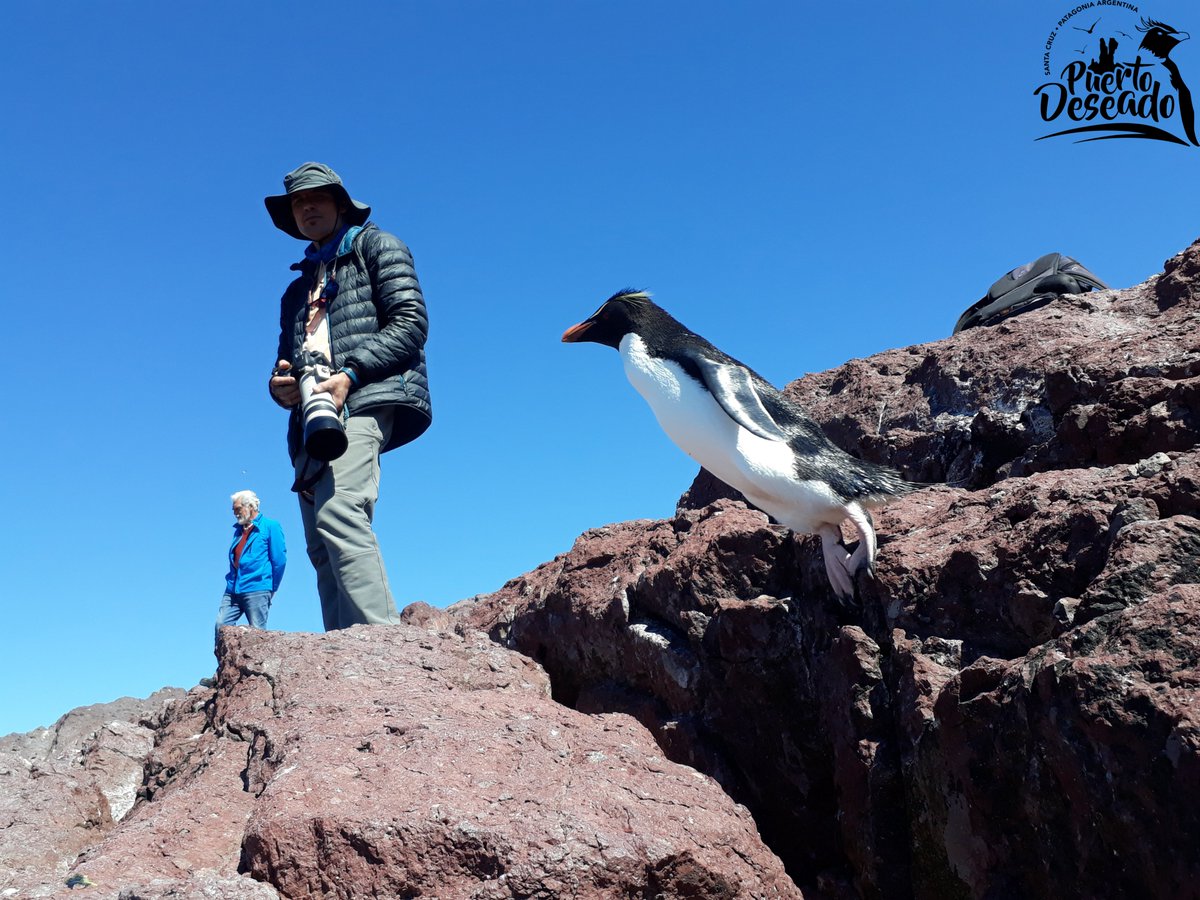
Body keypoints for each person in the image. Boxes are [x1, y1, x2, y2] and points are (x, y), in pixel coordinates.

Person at [265, 162, 432, 630]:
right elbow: (287, 358)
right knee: (320, 542)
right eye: (298, 202)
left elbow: (411, 324)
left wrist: (350, 376)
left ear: (341, 203)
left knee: (340, 513)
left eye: (317, 197)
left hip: (363, 397)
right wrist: (280, 387)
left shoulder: (378, 246)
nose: (307, 207)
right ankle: (344, 659)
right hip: (311, 419)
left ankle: (383, 647)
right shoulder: (297, 290)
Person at [216, 490, 286, 645]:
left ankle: (258, 667)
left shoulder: (270, 526)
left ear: (250, 506)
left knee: (257, 633)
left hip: (258, 587)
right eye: (234, 510)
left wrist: (272, 588)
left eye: (238, 509)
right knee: (221, 626)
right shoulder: (238, 531)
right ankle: (226, 666)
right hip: (233, 589)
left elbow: (279, 560)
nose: (235, 513)